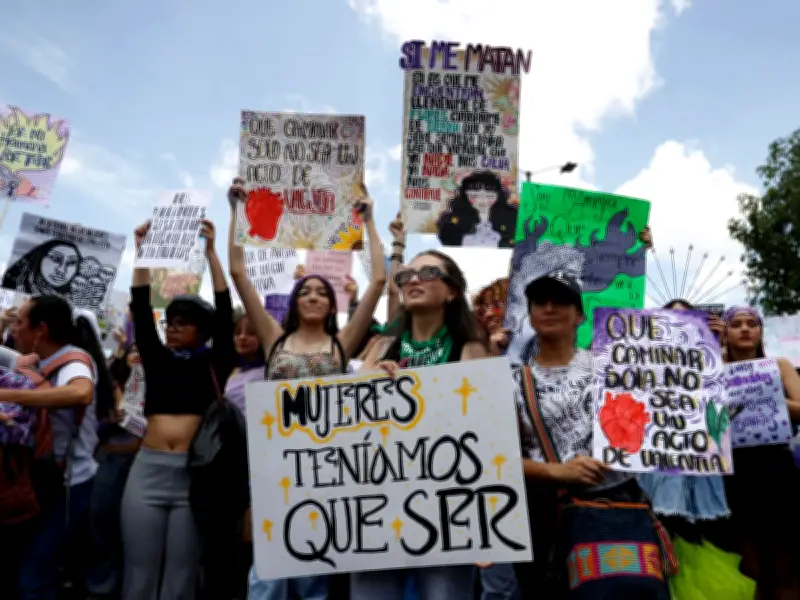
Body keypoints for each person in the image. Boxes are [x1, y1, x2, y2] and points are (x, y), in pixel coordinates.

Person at [227, 177, 386, 600]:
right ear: (296, 301)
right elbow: (240, 273)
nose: (313, 296)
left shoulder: (343, 343)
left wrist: (369, 223)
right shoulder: (274, 338)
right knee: (267, 575)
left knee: (313, 576)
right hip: (273, 463)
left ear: (331, 305)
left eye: (321, 292)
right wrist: (236, 212)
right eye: (305, 291)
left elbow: (378, 284)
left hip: (325, 465)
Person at [512, 272, 667, 599]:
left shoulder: (618, 367)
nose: (550, 308)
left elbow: (663, 423)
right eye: (540, 302)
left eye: (562, 301)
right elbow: (495, 459)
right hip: (547, 519)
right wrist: (553, 471)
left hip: (621, 509)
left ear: (580, 315)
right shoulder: (512, 382)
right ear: (530, 314)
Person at [355, 249, 489, 599]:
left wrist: (486, 522)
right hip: (377, 506)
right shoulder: (381, 346)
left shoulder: (470, 348)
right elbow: (346, 425)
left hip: (446, 508)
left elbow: (485, 431)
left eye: (428, 273)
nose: (412, 280)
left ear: (452, 291)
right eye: (405, 276)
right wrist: (365, 383)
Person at [120, 218, 235, 600]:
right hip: (148, 470)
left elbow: (223, 307)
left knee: (181, 578)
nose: (172, 328)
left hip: (193, 477)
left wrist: (212, 254)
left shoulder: (215, 361)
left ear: (202, 330)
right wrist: (143, 254)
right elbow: (139, 303)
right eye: (170, 321)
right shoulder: (156, 358)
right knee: (139, 572)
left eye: (184, 323)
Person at [1, 296, 111, 600]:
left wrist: (7, 395)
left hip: (69, 486)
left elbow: (81, 392)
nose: (15, 330)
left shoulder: (74, 360)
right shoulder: (36, 361)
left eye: (20, 323)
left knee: (34, 579)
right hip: (40, 481)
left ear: (41, 330)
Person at [722, 306, 800, 599]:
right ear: (725, 332)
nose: (744, 329)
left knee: (784, 565)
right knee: (748, 566)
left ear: (760, 333)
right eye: (736, 324)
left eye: (751, 324)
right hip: (731, 475)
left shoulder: (779, 366)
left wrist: (766, 393)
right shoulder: (713, 370)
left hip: (775, 472)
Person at [85, 331, 142, 600]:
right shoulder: (112, 384)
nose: (137, 356)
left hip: (140, 462)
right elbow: (92, 425)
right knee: (101, 521)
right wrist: (111, 418)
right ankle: (102, 585)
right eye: (133, 350)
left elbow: (148, 427)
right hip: (108, 459)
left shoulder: (156, 383)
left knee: (131, 529)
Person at [436, 171, 517, 248]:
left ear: (498, 196)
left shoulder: (510, 218)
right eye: (474, 196)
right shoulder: (453, 220)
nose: (482, 200)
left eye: (489, 196)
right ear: (465, 196)